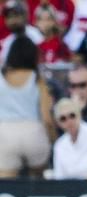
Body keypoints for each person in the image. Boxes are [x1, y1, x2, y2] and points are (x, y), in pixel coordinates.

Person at [0, 36, 52, 178]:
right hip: (33, 132)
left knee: (5, 188)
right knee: (39, 185)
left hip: (5, 134)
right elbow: (47, 118)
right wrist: (54, 139)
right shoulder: (37, 79)